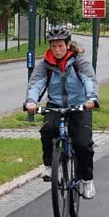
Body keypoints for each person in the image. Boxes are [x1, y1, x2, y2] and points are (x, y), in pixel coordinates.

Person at [25, 27, 100, 199]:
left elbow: (89, 79)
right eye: (54, 46)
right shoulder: (45, 64)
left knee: (83, 143)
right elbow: (36, 84)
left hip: (80, 105)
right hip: (56, 105)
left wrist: (92, 98)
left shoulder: (79, 61)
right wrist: (31, 101)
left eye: (60, 46)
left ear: (67, 45)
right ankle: (50, 167)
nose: (57, 50)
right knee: (47, 130)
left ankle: (87, 180)